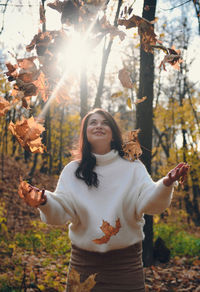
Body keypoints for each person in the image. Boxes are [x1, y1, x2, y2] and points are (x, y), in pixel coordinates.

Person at [19, 108, 189, 292]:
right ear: (85, 132)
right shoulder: (72, 171)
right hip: (83, 266)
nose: (99, 125)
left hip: (126, 266)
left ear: (113, 133)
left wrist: (166, 184)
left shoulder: (133, 167)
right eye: (93, 122)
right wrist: (45, 202)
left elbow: (150, 203)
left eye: (104, 122)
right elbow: (60, 212)